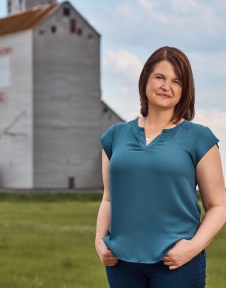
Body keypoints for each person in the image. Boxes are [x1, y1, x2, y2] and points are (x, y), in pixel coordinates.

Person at [95, 46, 226, 288]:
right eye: (160, 77)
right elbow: (109, 199)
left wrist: (192, 248)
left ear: (185, 90)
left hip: (177, 264)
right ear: (145, 79)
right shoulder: (115, 136)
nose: (167, 86)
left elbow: (218, 206)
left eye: (176, 81)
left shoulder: (200, 138)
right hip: (121, 264)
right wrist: (99, 242)